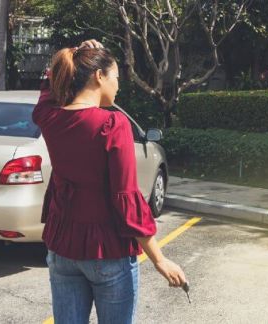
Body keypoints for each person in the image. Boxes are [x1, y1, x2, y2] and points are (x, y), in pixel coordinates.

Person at [32, 39, 187, 324]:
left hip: (63, 248)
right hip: (108, 252)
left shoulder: (50, 117)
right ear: (99, 76)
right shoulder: (112, 124)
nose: (118, 86)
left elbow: (48, 91)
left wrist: (72, 56)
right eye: (116, 77)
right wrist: (159, 259)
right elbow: (125, 197)